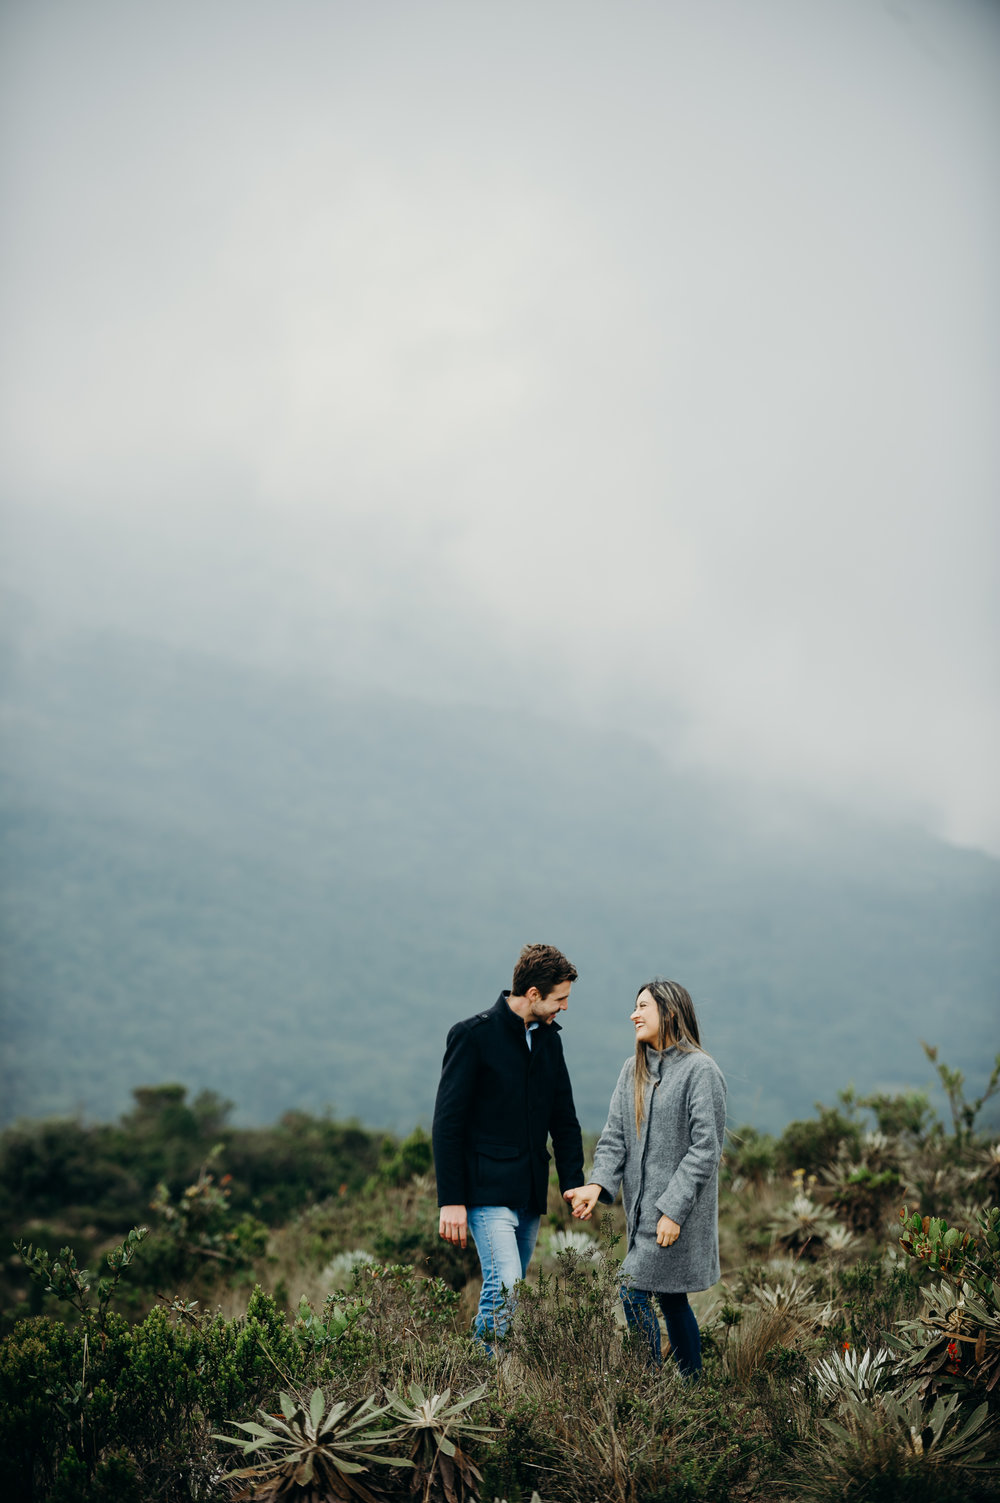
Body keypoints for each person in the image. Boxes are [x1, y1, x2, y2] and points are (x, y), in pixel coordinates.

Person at [564, 979, 726, 1378]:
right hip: (641, 1217)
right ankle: (692, 1390)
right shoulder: (632, 1070)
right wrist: (596, 1185)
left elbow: (706, 1148)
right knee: (672, 1300)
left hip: (676, 1218)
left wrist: (672, 1211)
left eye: (642, 1007)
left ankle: (649, 1385)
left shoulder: (700, 1071)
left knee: (631, 1290)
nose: (633, 1015)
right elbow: (614, 1137)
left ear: (669, 1012)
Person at [433, 942, 584, 1349]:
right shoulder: (471, 1036)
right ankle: (486, 1384)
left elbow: (564, 1119)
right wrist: (451, 1200)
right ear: (533, 994)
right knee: (507, 1289)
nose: (564, 1008)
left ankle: (486, 1383)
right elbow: (448, 1125)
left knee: (509, 1298)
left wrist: (574, 1182)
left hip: (530, 1191)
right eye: (560, 999)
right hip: (485, 1191)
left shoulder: (550, 1041)